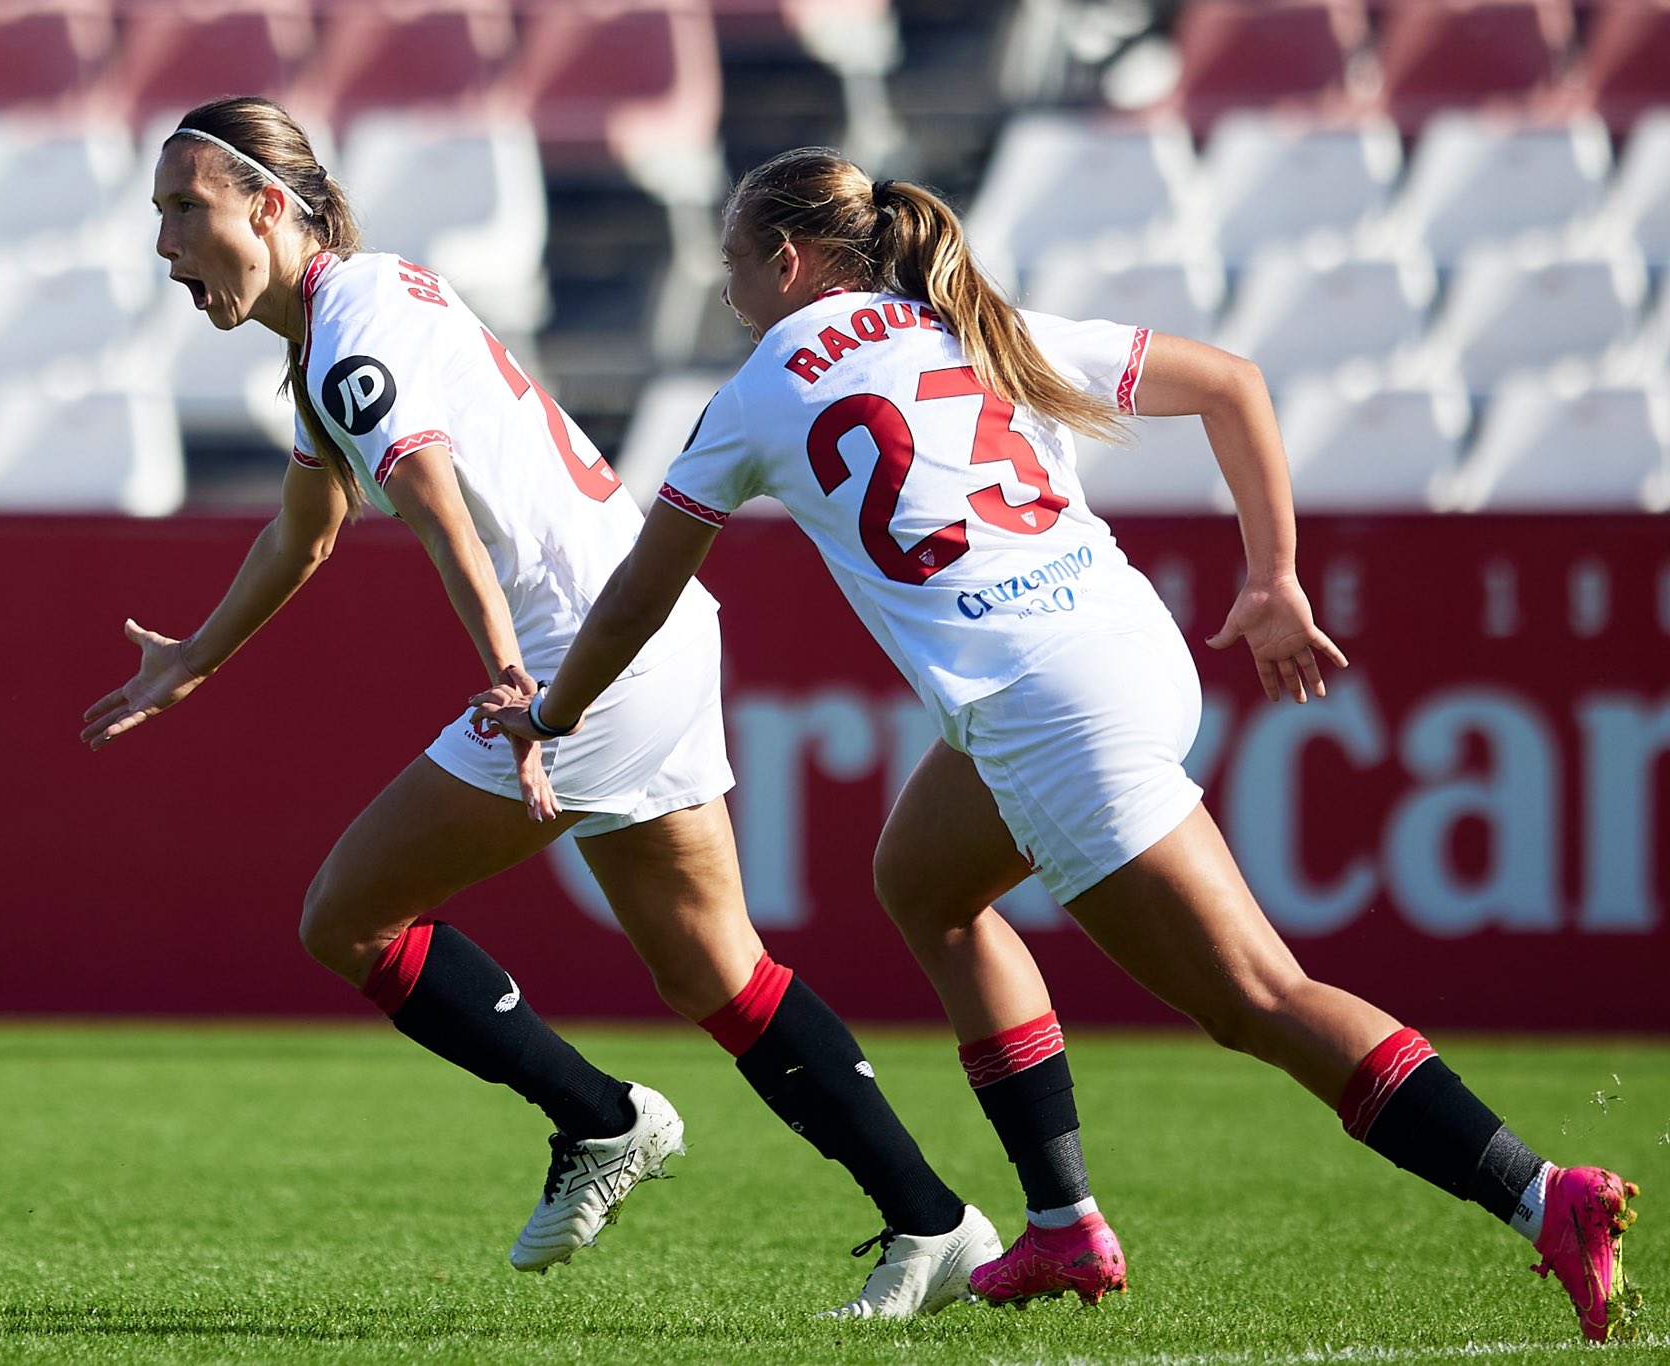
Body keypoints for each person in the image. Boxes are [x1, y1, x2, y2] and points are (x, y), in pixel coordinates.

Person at [472, 146, 1642, 1343]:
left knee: (1258, 997)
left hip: (1046, 710)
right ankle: (1061, 1224)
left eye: (732, 266)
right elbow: (1232, 381)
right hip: (1128, 647)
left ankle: (1538, 1191)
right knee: (921, 881)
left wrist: (550, 715)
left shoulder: (760, 389)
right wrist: (1275, 580)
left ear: (785, 259)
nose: (727, 295)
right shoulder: (973, 322)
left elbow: (633, 600)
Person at [80, 99, 1002, 1316]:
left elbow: (434, 504)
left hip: (586, 656)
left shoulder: (346, 339)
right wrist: (194, 655)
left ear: (267, 204)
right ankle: (934, 1222)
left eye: (183, 210)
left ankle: (600, 1120)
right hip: (654, 630)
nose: (164, 246)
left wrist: (523, 689)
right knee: (717, 973)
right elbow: (306, 530)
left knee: (346, 918)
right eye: (158, 216)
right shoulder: (359, 303)